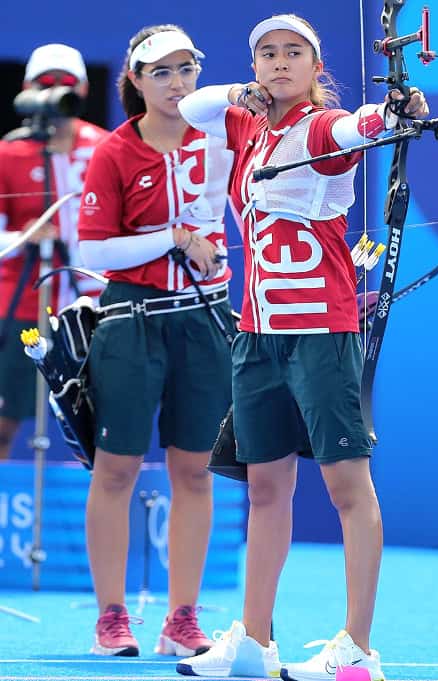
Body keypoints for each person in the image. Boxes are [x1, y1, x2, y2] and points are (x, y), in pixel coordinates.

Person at [175, 13, 428, 681]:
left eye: (294, 54)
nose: (279, 63)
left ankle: (358, 649)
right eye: (267, 54)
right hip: (256, 334)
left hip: (320, 332)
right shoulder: (242, 125)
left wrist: (395, 110)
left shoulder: (322, 127)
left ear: (317, 68)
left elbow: (362, 126)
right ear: (253, 65)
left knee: (347, 484)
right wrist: (236, 93)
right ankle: (256, 641)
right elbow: (189, 103)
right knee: (265, 487)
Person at [76, 25, 236, 657]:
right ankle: (111, 616)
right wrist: (174, 236)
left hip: (205, 320)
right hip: (130, 319)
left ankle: (183, 617)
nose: (176, 83)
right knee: (116, 468)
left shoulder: (223, 139)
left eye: (186, 68)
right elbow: (92, 250)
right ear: (136, 81)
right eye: (161, 72)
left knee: (194, 470)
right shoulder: (115, 151)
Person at [0, 43, 107, 459]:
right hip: (23, 304)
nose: (57, 91)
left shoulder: (105, 146)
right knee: (4, 421)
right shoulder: (10, 152)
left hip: (91, 305)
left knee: (96, 425)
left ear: (82, 88)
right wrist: (25, 237)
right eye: (46, 82)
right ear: (27, 88)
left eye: (66, 83)